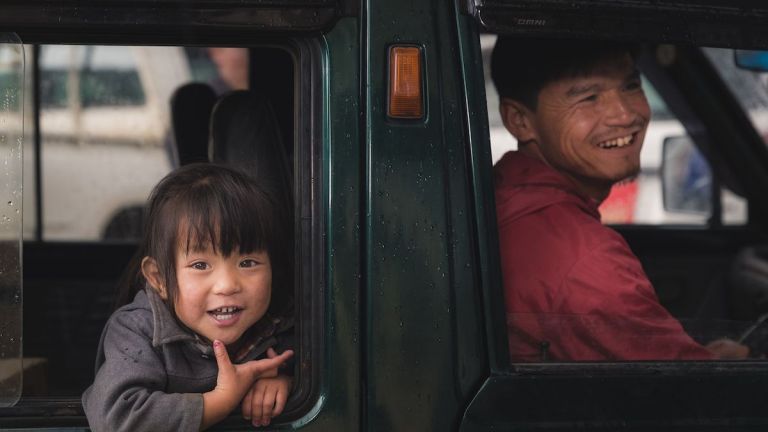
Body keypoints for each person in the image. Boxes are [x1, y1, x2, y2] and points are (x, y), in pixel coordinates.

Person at [491, 37, 748, 361]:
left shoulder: (500, 197)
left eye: (630, 85)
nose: (625, 115)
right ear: (520, 121)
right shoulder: (587, 259)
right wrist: (728, 364)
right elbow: (685, 395)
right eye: (588, 97)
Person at [83, 163, 295, 431]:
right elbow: (117, 417)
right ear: (160, 280)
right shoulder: (137, 331)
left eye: (248, 262)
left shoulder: (282, 322)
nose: (227, 285)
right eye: (200, 266)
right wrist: (221, 400)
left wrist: (287, 383)